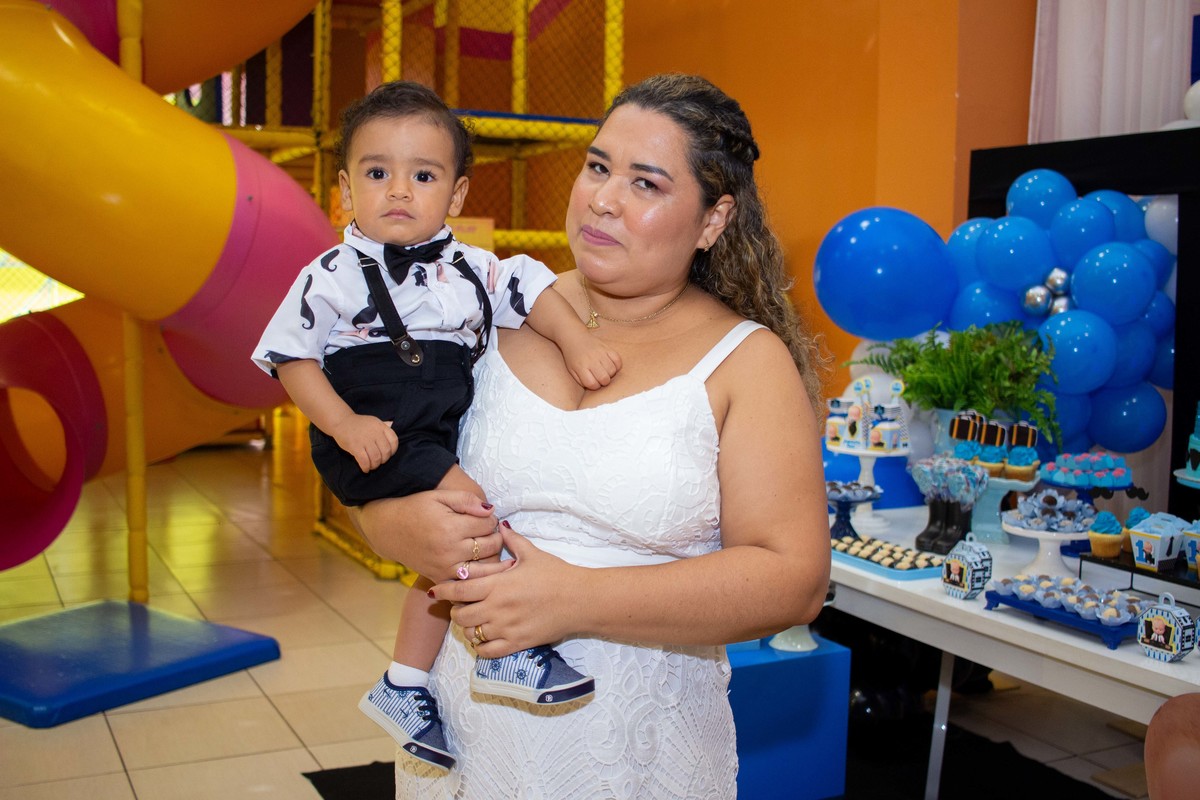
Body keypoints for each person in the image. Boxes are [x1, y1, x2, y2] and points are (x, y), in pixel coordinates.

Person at [346, 73, 832, 798]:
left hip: (632, 755)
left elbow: (793, 581)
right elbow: (377, 457)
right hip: (461, 740)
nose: (602, 198)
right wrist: (389, 522)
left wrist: (574, 598)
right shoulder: (480, 308)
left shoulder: (744, 362)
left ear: (712, 219)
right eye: (598, 166)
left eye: (646, 183)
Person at [251, 81, 621, 770]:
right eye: (376, 172)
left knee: (440, 561)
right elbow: (290, 358)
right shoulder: (329, 272)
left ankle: (404, 683)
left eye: (422, 175)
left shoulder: (474, 268)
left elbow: (534, 291)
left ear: (454, 196)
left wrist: (575, 342)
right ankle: (503, 651)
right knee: (473, 517)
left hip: (433, 428)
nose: (398, 190)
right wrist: (344, 423)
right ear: (344, 190)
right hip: (372, 427)